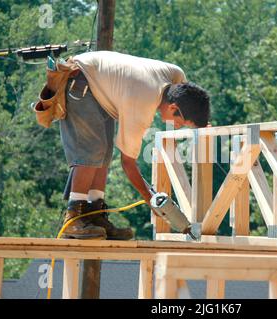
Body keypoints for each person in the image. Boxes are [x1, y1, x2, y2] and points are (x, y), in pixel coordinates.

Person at [59, 51, 210, 240]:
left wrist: (202, 124)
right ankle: (74, 217)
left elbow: (191, 96)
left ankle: (94, 214)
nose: (177, 126)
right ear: (173, 108)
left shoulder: (176, 77)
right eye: (180, 122)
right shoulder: (142, 105)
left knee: (104, 153)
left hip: (99, 83)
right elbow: (128, 164)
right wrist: (149, 199)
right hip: (81, 81)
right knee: (93, 150)